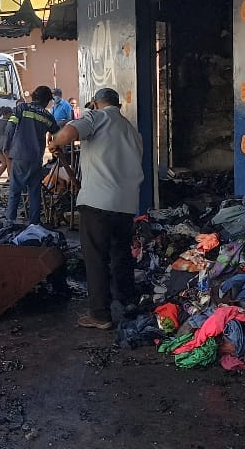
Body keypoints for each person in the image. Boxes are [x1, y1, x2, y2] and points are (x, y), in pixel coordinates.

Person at [48, 88, 144, 330]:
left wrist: (55, 141)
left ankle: (100, 314)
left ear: (97, 103)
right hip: (126, 204)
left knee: (96, 258)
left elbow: (69, 132)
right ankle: (128, 302)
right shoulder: (132, 131)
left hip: (98, 202)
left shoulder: (95, 117)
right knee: (121, 255)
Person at [4, 86, 60, 224]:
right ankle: (34, 224)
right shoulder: (48, 116)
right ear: (46, 101)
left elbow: (10, 128)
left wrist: (6, 147)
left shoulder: (21, 109)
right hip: (36, 158)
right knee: (34, 192)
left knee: (15, 190)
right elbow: (58, 134)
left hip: (19, 154)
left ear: (34, 96)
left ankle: (10, 221)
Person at [0, 106, 14, 183]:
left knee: (3, 164)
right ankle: (10, 180)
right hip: (6, 144)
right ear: (8, 114)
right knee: (9, 164)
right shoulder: (9, 122)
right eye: (11, 113)